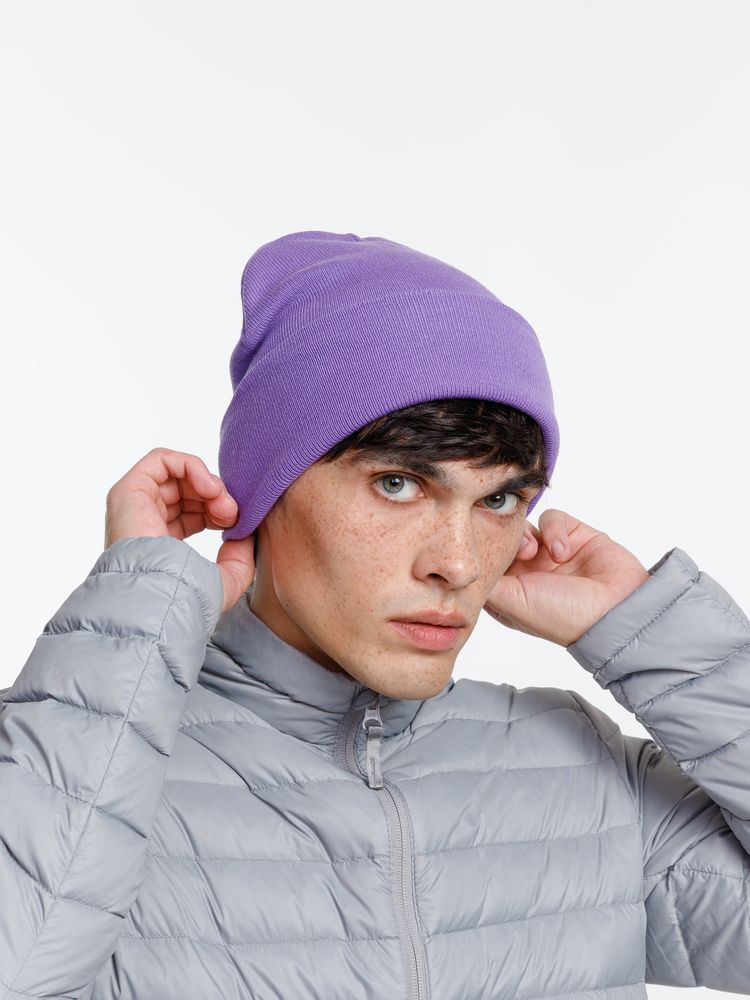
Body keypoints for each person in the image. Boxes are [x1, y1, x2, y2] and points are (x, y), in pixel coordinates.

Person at [1, 230, 749, 1000]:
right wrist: (141, 608)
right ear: (263, 493)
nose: (458, 563)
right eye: (398, 484)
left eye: (498, 499)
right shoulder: (71, 760)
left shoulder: (584, 773)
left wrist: (652, 630)